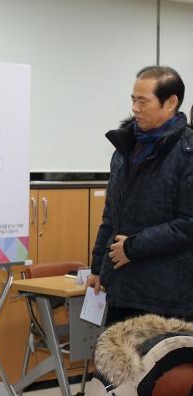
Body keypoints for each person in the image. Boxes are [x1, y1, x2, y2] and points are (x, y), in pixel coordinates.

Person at [88, 66, 193, 325]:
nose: (135, 108)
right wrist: (97, 268)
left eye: (143, 101)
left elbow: (188, 224)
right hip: (122, 288)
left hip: (167, 297)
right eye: (133, 100)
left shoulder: (187, 153)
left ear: (171, 103)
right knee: (114, 351)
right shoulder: (125, 149)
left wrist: (132, 248)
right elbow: (111, 215)